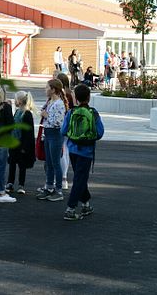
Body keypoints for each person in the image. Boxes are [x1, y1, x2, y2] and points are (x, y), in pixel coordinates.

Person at [61, 84, 105, 221]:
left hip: (73, 149)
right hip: (86, 151)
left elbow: (63, 131)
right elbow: (100, 132)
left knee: (80, 177)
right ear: (89, 97)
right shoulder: (93, 113)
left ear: (76, 98)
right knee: (80, 178)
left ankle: (86, 204)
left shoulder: (71, 113)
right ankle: (71, 208)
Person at [37, 79, 68, 202]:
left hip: (55, 134)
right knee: (49, 162)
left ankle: (59, 190)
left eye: (47, 87)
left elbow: (58, 122)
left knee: (55, 163)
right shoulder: (50, 102)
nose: (45, 90)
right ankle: (49, 186)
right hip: (48, 133)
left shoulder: (59, 104)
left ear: (53, 89)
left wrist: (46, 116)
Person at [7, 91, 36, 195]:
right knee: (12, 163)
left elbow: (29, 132)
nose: (14, 101)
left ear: (19, 101)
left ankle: (21, 184)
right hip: (14, 142)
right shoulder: (18, 111)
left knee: (22, 165)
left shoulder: (27, 113)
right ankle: (10, 183)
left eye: (15, 99)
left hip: (22, 143)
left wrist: (25, 146)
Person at [56, 73, 74, 191]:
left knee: (61, 151)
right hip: (69, 125)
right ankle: (64, 177)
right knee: (65, 151)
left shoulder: (64, 95)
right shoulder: (71, 93)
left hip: (62, 124)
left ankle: (62, 178)